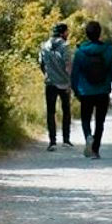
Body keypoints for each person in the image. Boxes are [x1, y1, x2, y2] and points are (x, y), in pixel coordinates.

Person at [71, 21, 112, 159]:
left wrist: (75, 90)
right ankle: (95, 150)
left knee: (85, 119)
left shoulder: (80, 52)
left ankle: (88, 136)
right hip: (102, 91)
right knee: (100, 122)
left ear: (86, 34)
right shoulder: (109, 51)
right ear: (100, 33)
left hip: (85, 92)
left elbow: (74, 73)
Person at [39, 23, 73, 151]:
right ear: (62, 33)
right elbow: (68, 64)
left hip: (50, 83)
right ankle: (66, 140)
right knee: (66, 111)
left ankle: (52, 141)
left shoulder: (44, 46)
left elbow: (41, 64)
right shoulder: (65, 46)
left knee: (50, 112)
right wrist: (70, 81)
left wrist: (47, 75)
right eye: (67, 32)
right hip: (64, 83)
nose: (68, 34)